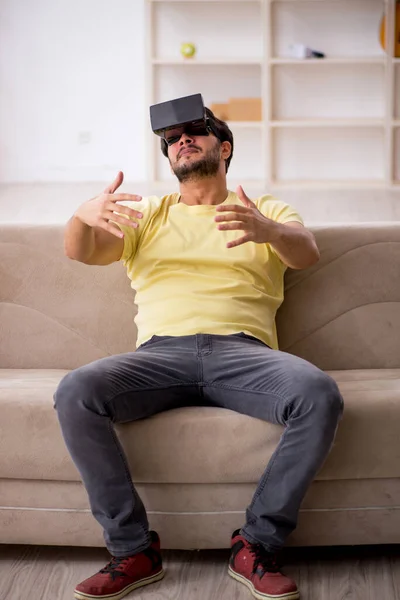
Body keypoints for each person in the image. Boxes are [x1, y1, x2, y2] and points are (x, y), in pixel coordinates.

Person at [54, 104, 344, 600]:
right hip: (159, 356)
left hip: (244, 354)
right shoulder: (149, 213)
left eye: (195, 131)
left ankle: (256, 545)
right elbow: (82, 251)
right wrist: (81, 216)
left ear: (223, 148)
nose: (181, 139)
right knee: (77, 389)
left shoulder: (263, 208)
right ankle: (133, 550)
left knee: (318, 392)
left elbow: (307, 251)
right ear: (169, 156)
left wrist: (270, 231)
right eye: (171, 137)